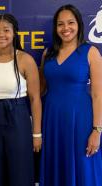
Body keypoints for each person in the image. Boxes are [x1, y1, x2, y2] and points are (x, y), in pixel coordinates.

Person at [40, 4, 102, 186]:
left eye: (70, 23)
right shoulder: (48, 53)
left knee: (82, 167)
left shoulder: (90, 52)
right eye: (60, 24)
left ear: (79, 25)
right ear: (55, 27)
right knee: (56, 164)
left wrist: (97, 131)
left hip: (81, 120)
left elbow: (98, 95)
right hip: (52, 120)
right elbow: (41, 88)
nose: (65, 28)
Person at [0, 13, 42, 186]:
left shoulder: (25, 60)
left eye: (6, 30)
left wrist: (36, 134)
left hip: (18, 118)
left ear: (14, 33)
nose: (1, 35)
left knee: (20, 172)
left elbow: (35, 99)